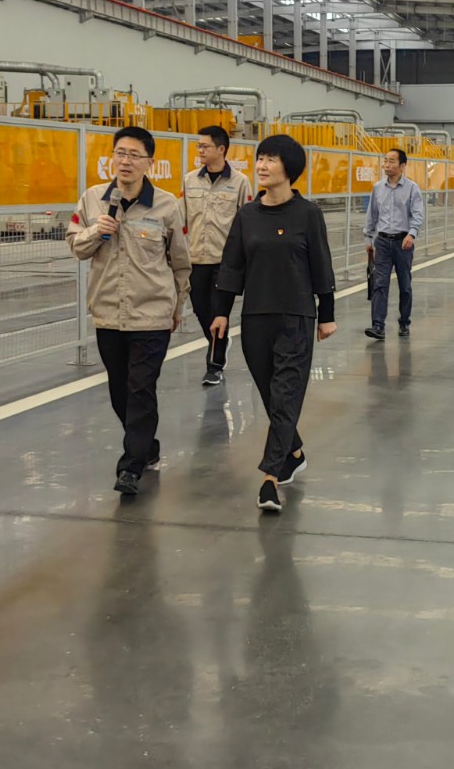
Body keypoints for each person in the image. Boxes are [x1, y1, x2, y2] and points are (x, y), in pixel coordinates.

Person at [210, 134, 337, 514]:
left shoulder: (308, 214)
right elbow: (232, 265)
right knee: (271, 394)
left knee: (285, 395)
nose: (262, 166)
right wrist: (221, 311)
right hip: (255, 318)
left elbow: (321, 264)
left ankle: (270, 478)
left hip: (296, 316)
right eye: (260, 158)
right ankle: (294, 453)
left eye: (270, 159)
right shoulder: (247, 215)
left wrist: (327, 313)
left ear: (289, 168)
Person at [67, 126, 191, 496]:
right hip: (108, 312)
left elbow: (180, 262)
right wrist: (97, 231)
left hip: (151, 313)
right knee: (120, 390)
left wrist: (177, 306)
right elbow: (75, 246)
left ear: (149, 162)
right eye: (120, 153)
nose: (125, 161)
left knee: (141, 388)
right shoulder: (93, 199)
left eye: (134, 155)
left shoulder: (166, 205)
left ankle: (131, 466)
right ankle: (146, 446)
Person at [183, 124, 253, 387]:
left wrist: (245, 260)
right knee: (202, 312)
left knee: (218, 312)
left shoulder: (240, 182)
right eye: (199, 146)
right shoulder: (189, 180)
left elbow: (247, 221)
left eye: (205, 146)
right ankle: (221, 341)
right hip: (196, 259)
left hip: (226, 262)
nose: (200, 150)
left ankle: (214, 365)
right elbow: (182, 218)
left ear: (221, 149)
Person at [363, 147, 425, 340]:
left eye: (391, 161)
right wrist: (368, 238)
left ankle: (404, 321)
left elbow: (418, 215)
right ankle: (378, 325)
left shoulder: (412, 188)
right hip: (382, 242)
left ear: (402, 166)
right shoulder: (377, 188)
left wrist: (411, 234)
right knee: (380, 284)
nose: (386, 164)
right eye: (385, 160)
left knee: (404, 285)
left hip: (403, 243)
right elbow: (372, 215)